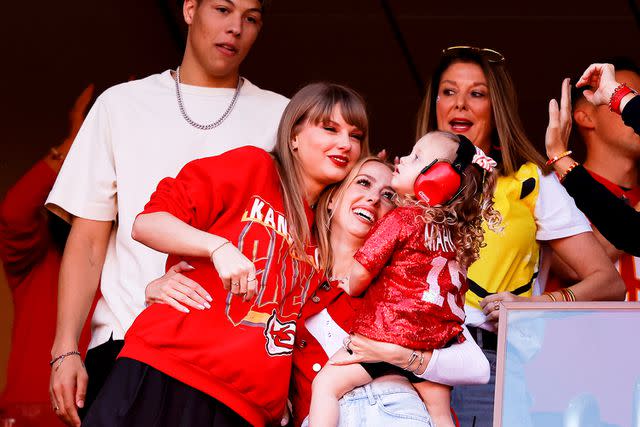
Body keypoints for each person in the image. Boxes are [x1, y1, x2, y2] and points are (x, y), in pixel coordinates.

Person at [45, 1, 288, 425]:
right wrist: (65, 349)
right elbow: (88, 239)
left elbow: (300, 243)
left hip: (233, 363)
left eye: (250, 18)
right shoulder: (120, 105)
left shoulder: (283, 118)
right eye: (222, 9)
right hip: (125, 341)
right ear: (190, 9)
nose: (235, 28)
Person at [81, 82, 367, 427]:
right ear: (293, 135)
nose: (345, 144)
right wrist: (216, 247)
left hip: (247, 408)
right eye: (330, 128)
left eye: (356, 135)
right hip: (169, 368)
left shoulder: (329, 231)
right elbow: (148, 223)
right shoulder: (254, 167)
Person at [415, 46, 625, 427]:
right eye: (449, 91)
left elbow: (608, 282)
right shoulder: (400, 175)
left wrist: (531, 306)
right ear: (434, 103)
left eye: (477, 94)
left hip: (483, 365)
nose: (460, 104)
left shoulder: (530, 179)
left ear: (496, 107)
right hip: (400, 365)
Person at [308, 132, 500, 427]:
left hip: (394, 391)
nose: (373, 198)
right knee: (441, 414)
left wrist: (395, 353)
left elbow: (478, 369)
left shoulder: (401, 220)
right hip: (436, 341)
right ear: (332, 197)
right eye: (363, 183)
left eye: (387, 195)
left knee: (325, 385)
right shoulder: (451, 239)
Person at [0, 85, 94, 427]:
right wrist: (73, 145)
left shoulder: (120, 259)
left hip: (94, 412)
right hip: (28, 415)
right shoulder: (34, 260)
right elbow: (14, 212)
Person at [545, 59, 640, 300]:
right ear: (586, 117)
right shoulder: (555, 185)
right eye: (634, 95)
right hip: (585, 335)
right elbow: (569, 266)